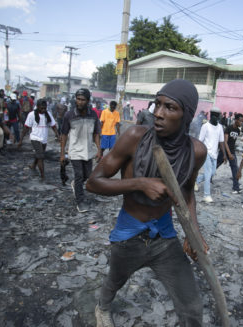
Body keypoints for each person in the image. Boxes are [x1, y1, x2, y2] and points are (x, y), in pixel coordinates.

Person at [86, 79, 207, 327]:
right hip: (129, 234)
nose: (159, 114)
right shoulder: (134, 137)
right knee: (114, 280)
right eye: (157, 104)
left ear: (186, 115)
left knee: (192, 304)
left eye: (170, 108)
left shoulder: (196, 151)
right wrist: (140, 183)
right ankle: (103, 307)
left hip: (164, 236)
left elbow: (187, 193)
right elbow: (93, 182)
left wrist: (193, 233)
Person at [60, 88, 102, 213]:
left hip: (88, 151)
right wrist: (62, 153)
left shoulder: (93, 115)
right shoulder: (69, 115)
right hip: (75, 151)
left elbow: (96, 133)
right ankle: (80, 202)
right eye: (78, 99)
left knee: (87, 175)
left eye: (83, 100)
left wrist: (99, 150)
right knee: (79, 175)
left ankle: (75, 185)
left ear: (88, 101)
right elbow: (64, 135)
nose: (80, 102)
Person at [18, 99, 59, 180]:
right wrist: (20, 140)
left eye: (45, 108)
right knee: (41, 156)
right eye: (41, 108)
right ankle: (43, 175)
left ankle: (33, 165)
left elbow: (53, 126)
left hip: (44, 139)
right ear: (37, 107)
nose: (43, 110)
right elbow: (26, 128)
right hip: (35, 138)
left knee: (39, 154)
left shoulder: (48, 114)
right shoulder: (31, 115)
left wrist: (57, 135)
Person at [195, 107, 226, 203]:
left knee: (212, 173)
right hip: (206, 153)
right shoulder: (205, 126)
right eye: (217, 116)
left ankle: (195, 181)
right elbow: (200, 141)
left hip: (214, 154)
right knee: (208, 174)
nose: (219, 118)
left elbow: (221, 142)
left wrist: (224, 154)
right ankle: (206, 195)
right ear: (212, 116)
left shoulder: (220, 127)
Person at [224, 113, 243, 194]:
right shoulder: (228, 128)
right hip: (225, 152)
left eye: (242, 121)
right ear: (236, 120)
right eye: (240, 121)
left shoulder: (238, 131)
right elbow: (225, 142)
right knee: (214, 167)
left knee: (235, 168)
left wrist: (232, 152)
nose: (241, 123)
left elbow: (233, 142)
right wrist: (228, 154)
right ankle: (200, 180)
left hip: (232, 152)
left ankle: (236, 187)